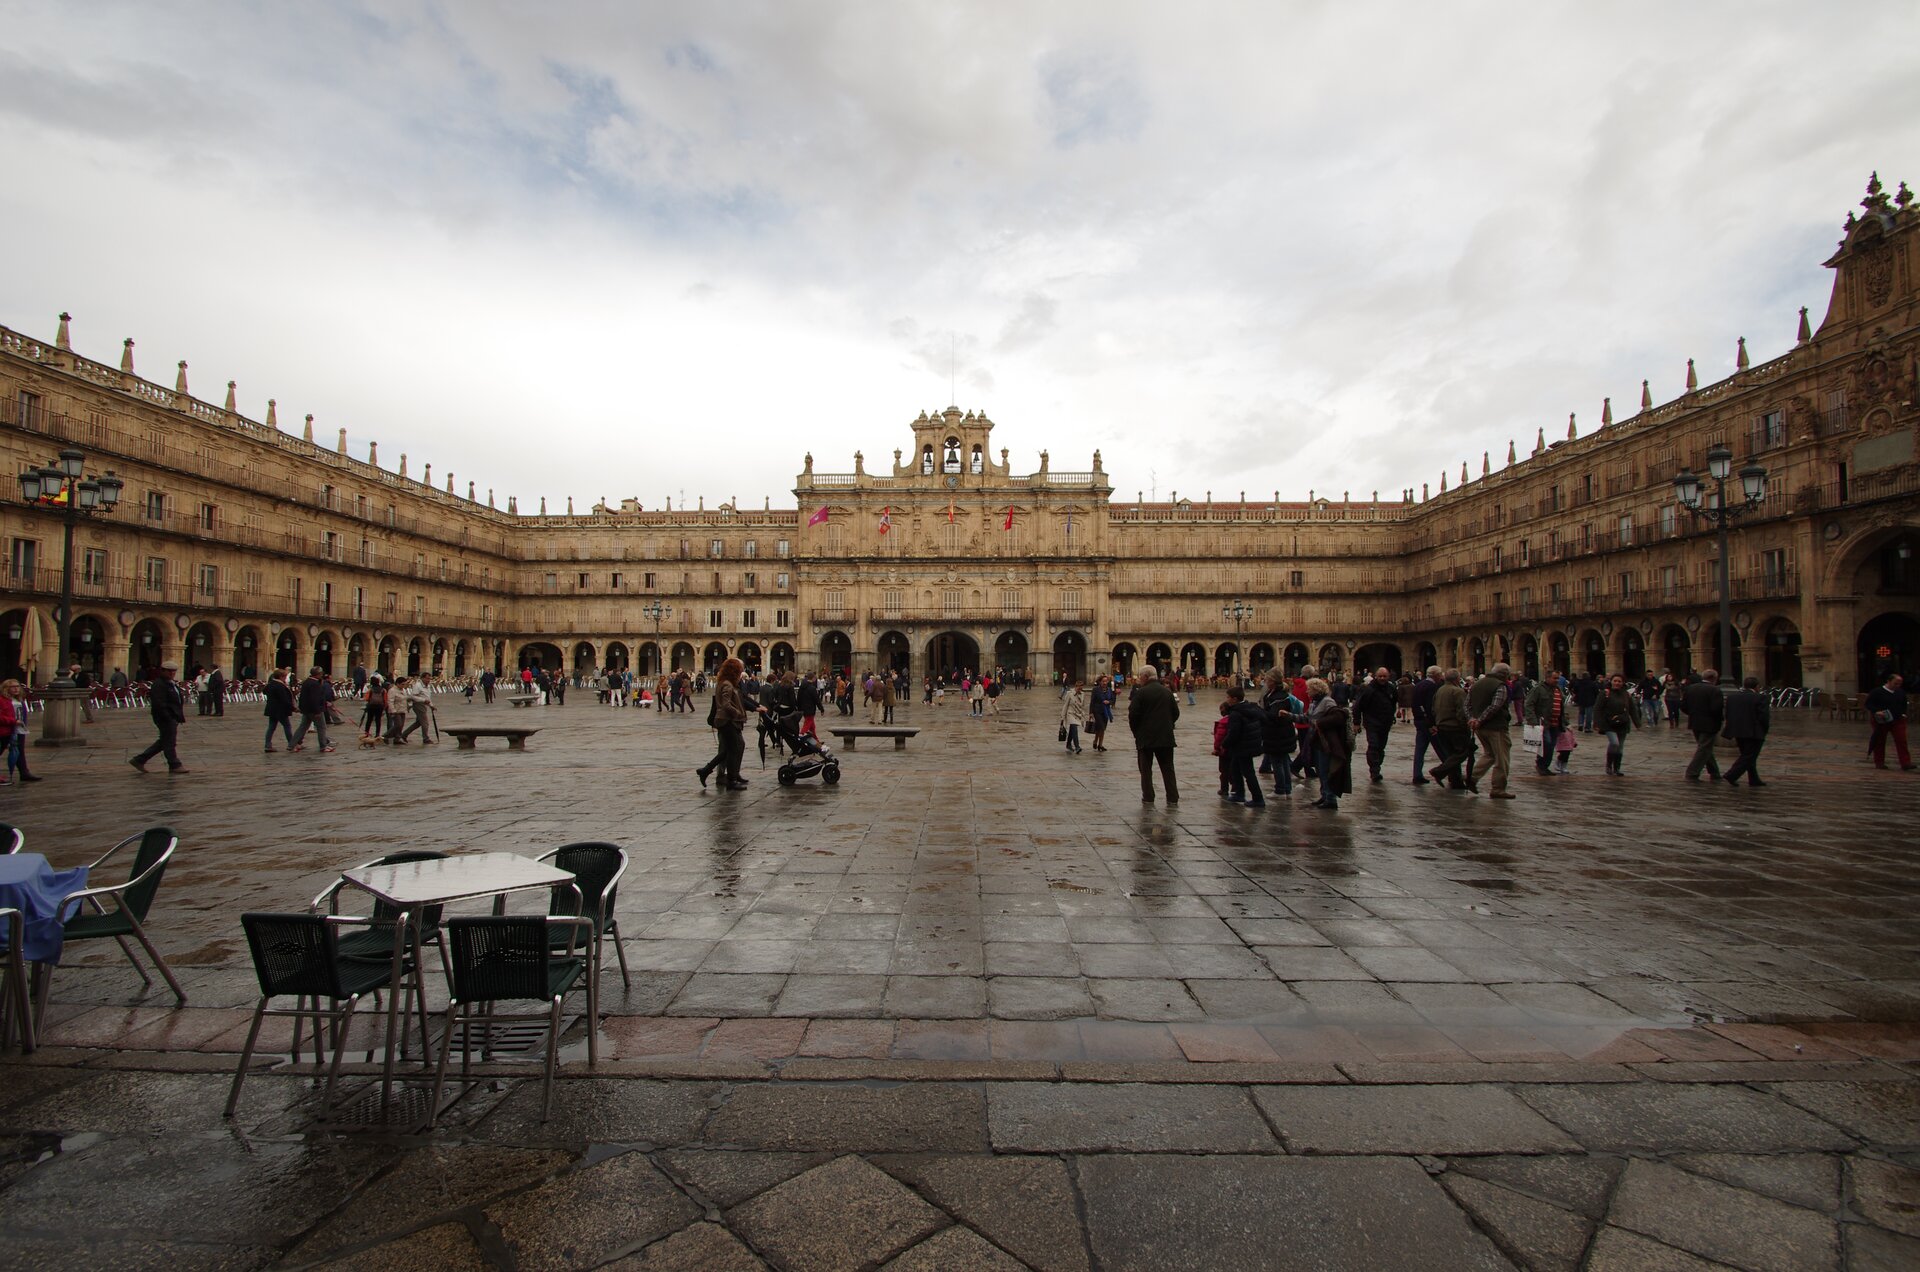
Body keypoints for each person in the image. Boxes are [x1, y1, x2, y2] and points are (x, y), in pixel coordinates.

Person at [1128, 666, 1180, 804]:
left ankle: (1148, 796)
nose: (1139, 679)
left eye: (1140, 677)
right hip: (1166, 737)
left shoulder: (1141, 693)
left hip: (1146, 738)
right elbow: (1176, 713)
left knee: (1146, 770)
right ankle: (1172, 797)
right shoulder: (1167, 692)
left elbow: (1133, 715)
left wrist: (1136, 732)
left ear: (1145, 677)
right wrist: (1167, 725)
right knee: (1168, 768)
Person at [1467, 662, 1515, 799]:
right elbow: (1495, 706)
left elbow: (1467, 704)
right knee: (1502, 759)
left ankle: (1472, 777)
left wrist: (1472, 719)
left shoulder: (1476, 684)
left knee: (1489, 754)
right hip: (1496, 728)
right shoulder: (1500, 686)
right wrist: (1480, 719)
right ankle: (1498, 789)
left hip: (1479, 728)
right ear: (1505, 675)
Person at [130, 660, 189, 772]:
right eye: (169, 671)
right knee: (169, 742)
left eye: (174, 671)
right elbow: (159, 703)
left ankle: (139, 760)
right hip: (164, 718)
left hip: (172, 716)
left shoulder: (171, 683)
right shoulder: (159, 684)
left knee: (165, 741)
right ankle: (174, 764)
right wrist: (168, 716)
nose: (172, 673)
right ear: (163, 671)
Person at [1305, 677, 1353, 810]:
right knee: (1320, 770)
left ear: (1316, 689)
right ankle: (1325, 795)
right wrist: (1290, 716)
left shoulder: (1327, 702)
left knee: (1326, 770)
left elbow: (1338, 716)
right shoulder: (1314, 702)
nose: (1307, 691)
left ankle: (1331, 799)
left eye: (1309, 689)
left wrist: (1320, 723)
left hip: (1326, 741)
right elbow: (1308, 718)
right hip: (1317, 740)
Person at [1428, 668, 1477, 791]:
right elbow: (1462, 711)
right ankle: (1439, 771)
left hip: (1442, 726)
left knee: (1451, 754)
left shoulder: (1440, 690)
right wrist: (1464, 725)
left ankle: (1456, 781)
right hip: (1455, 727)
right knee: (1462, 752)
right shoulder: (1458, 692)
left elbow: (1433, 709)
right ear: (1456, 679)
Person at [711, 657, 754, 790]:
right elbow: (726, 704)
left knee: (735, 747)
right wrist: (738, 713)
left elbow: (742, 699)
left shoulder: (728, 683)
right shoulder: (727, 684)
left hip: (729, 720)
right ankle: (730, 779)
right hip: (728, 721)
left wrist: (754, 707)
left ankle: (732, 775)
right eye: (740, 670)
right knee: (733, 748)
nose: (742, 672)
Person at [1722, 675, 1771, 786]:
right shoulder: (1760, 698)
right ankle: (1731, 774)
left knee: (1747, 754)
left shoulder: (1733, 697)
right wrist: (1764, 729)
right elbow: (1764, 717)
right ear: (1757, 686)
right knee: (1749, 756)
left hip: (1738, 731)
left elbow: (1728, 714)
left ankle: (1753, 779)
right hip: (1754, 732)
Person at [1222, 685, 1267, 806]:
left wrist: (1224, 743)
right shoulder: (1251, 708)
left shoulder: (1236, 713)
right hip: (1250, 744)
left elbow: (1234, 732)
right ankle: (1239, 793)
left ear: (1234, 699)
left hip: (1242, 746)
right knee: (1235, 768)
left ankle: (1258, 798)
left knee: (1248, 772)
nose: (1227, 699)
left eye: (1228, 697)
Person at [1351, 666, 1398, 783]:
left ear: (1388, 677)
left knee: (1381, 747)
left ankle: (1377, 766)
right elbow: (1358, 707)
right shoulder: (1369, 689)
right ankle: (1374, 770)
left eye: (1384, 676)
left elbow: (1393, 703)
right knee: (1373, 745)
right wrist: (1356, 723)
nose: (1382, 678)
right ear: (1376, 677)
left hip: (1385, 723)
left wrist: (1392, 716)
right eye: (1380, 676)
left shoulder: (1391, 688)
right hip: (1372, 722)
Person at [1259, 670, 1300, 797]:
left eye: (1267, 679)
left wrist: (1259, 713)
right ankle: (1286, 789)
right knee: (1283, 761)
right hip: (1280, 732)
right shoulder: (1276, 694)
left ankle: (1281, 789)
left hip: (1278, 733)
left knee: (1278, 762)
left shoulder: (1278, 697)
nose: (1265, 681)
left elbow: (1275, 716)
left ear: (1272, 681)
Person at [1524, 673, 1573, 776]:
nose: (1557, 680)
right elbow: (1529, 704)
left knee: (1551, 745)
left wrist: (1565, 722)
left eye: (1558, 678)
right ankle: (1541, 765)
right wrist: (1532, 720)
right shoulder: (1538, 689)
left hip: (1556, 723)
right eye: (1554, 678)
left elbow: (1561, 707)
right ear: (1547, 678)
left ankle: (1545, 766)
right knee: (1547, 743)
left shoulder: (1558, 689)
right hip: (1543, 722)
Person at [1594, 673, 1642, 776]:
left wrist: (1637, 723)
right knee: (1614, 743)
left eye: (1619, 681)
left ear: (1623, 683)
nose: (1617, 683)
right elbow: (1598, 709)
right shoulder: (1605, 693)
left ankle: (1617, 768)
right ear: (1611, 681)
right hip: (1609, 723)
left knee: (1620, 747)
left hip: (1623, 723)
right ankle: (1608, 764)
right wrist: (1597, 723)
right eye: (1615, 681)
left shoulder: (1626, 695)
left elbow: (1632, 710)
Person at [1681, 670, 1725, 781]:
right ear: (1714, 678)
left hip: (1695, 722)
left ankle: (1715, 773)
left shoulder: (1691, 688)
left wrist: (1693, 714)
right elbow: (1716, 709)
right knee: (1704, 748)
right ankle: (1692, 772)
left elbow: (1683, 706)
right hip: (1709, 723)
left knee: (1705, 748)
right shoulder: (1715, 690)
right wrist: (1719, 720)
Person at [1865, 672, 1913, 771]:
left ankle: (1905, 763)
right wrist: (1876, 711)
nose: (1897, 686)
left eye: (1899, 684)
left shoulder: (1900, 692)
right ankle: (1879, 762)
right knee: (1880, 741)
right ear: (1889, 681)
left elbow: (1903, 704)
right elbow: (1868, 704)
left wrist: (1903, 713)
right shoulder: (1877, 692)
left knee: (1901, 740)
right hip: (1882, 721)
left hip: (1897, 720)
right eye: (1895, 683)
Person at [1, 680, 42, 783]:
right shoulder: (2, 700)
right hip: (5, 729)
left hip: (19, 729)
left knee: (19, 751)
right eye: (12, 687)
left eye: (17, 686)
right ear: (6, 688)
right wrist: (13, 721)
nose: (16, 689)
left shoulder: (19, 700)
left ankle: (24, 772)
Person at [290, 665, 337, 753]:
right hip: (314, 710)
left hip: (306, 709)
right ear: (319, 674)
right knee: (321, 727)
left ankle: (291, 745)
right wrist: (318, 710)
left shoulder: (307, 682)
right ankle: (323, 746)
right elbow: (315, 699)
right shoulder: (315, 684)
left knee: (303, 727)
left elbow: (303, 697)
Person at [1409, 666, 1442, 785]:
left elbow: (1415, 704)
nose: (1441, 676)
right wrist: (1431, 723)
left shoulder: (1418, 685)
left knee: (1420, 750)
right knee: (1441, 749)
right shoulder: (1431, 687)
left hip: (1419, 721)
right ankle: (1447, 772)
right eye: (1440, 674)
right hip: (1428, 723)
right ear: (1436, 675)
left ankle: (1417, 774)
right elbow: (1429, 707)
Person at [263, 668, 296, 752]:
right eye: (285, 676)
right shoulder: (280, 686)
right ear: (281, 677)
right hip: (280, 710)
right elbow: (284, 700)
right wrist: (293, 708)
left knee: (271, 727)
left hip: (271, 709)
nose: (285, 678)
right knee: (287, 726)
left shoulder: (271, 684)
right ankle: (291, 744)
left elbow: (264, 691)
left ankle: (268, 745)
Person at [399, 676, 435, 743]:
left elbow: (427, 697)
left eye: (429, 678)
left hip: (424, 704)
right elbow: (413, 696)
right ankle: (426, 738)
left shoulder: (428, 686)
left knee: (418, 723)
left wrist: (431, 705)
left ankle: (404, 735)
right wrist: (423, 700)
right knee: (425, 723)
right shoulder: (418, 686)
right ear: (422, 678)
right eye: (427, 678)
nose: (429, 680)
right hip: (418, 704)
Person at [1061, 681, 1088, 754]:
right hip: (1070, 713)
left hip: (1077, 714)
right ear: (1076, 687)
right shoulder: (1069, 694)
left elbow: (1083, 706)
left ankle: (1068, 744)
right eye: (1079, 688)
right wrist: (1062, 716)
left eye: (1081, 688)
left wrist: (1083, 715)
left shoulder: (1083, 694)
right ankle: (1077, 746)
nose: (1080, 690)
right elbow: (1065, 705)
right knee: (1074, 728)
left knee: (1072, 729)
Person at [1089, 676, 1115, 751]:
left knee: (1100, 728)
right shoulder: (1096, 690)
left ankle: (1096, 741)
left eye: (1106, 681)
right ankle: (1100, 745)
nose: (1104, 683)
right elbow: (1092, 701)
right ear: (1100, 682)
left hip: (1106, 711)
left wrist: (1109, 702)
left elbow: (1112, 700)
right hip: (1097, 711)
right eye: (1103, 681)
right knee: (1102, 728)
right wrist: (1091, 713)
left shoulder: (1109, 690)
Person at [361, 674, 388, 741]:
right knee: (378, 720)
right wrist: (384, 707)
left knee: (369, 720)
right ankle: (377, 734)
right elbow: (385, 699)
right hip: (380, 707)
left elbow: (366, 698)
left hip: (371, 706)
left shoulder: (371, 690)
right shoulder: (383, 690)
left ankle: (366, 733)